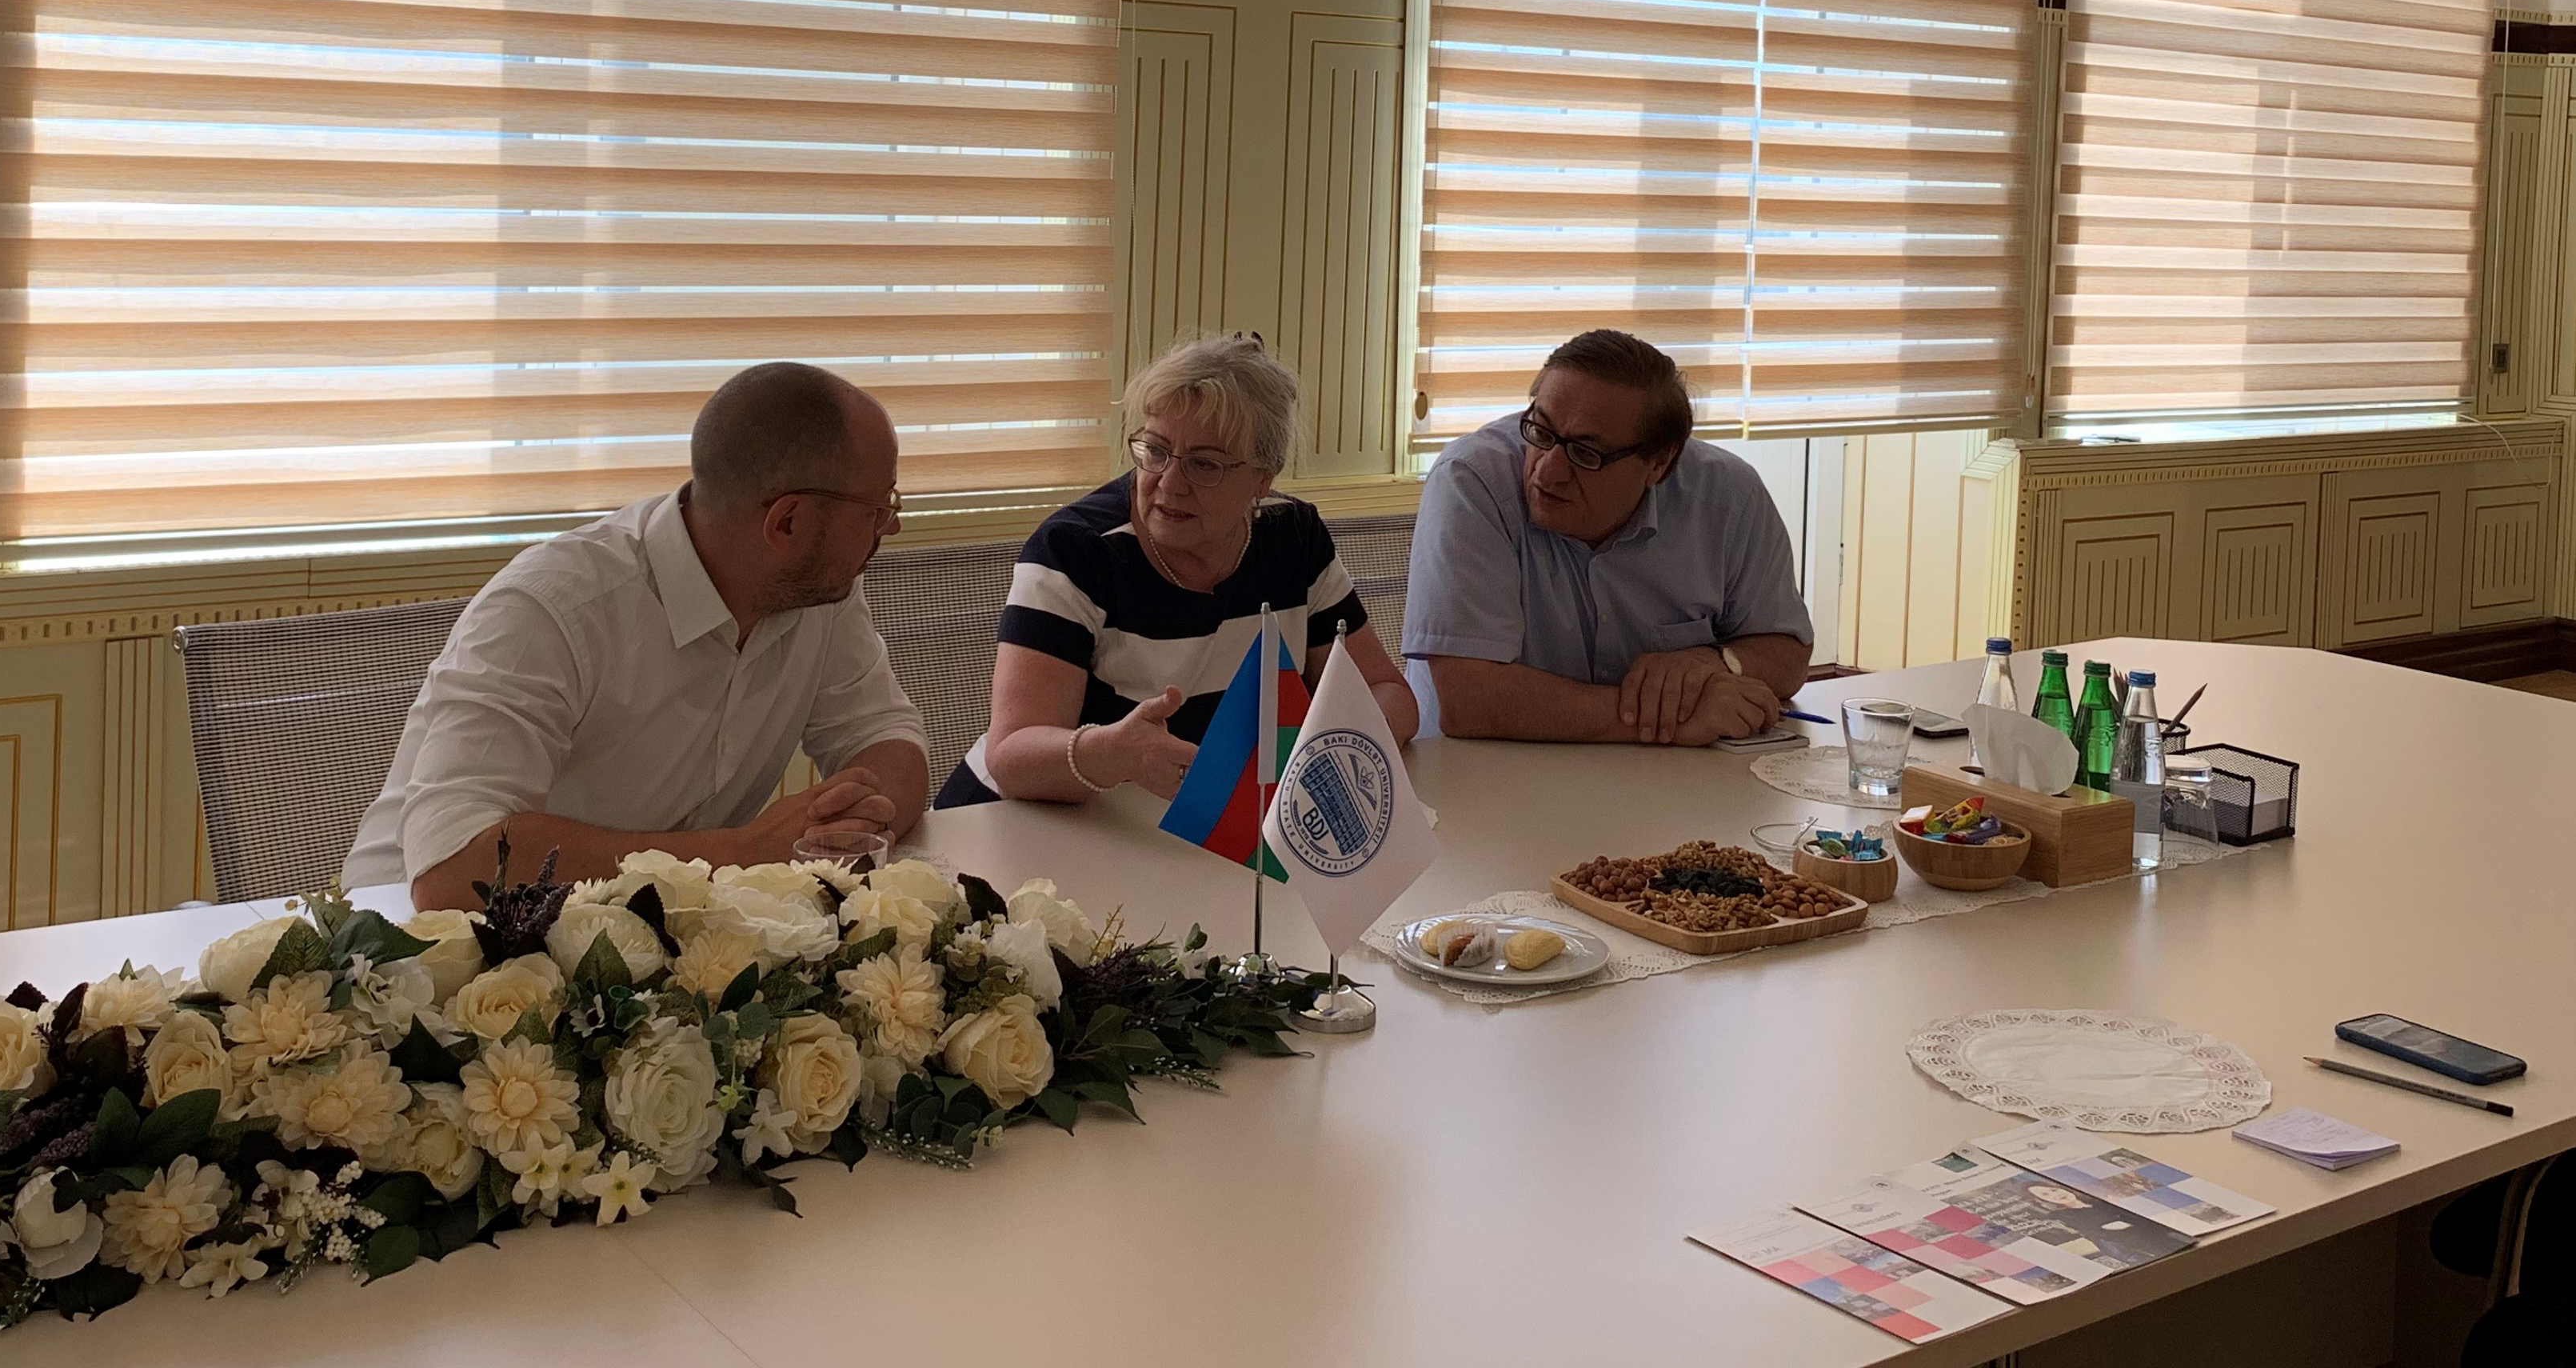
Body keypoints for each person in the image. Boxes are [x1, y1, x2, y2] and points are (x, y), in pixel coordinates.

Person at [341, 362, 929, 910]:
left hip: (653, 929)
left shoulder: (814, 589)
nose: (893, 525)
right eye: (877, 508)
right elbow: (454, 868)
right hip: (414, 940)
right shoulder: (551, 608)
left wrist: (848, 820)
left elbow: (886, 736)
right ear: (789, 522)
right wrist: (743, 852)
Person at [938, 334, 1417, 807]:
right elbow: (1011, 757)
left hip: (1193, 822)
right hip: (1017, 822)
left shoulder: (1293, 537)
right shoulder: (1075, 550)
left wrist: (1323, 753)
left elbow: (1389, 693)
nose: (1169, 482)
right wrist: (1117, 755)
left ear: (1263, 478)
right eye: (1156, 451)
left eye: (1204, 464)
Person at [1403, 329, 1813, 744]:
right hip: (1478, 770)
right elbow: (1470, 701)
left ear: (1658, 464)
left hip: (1666, 774)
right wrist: (1669, 719)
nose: (1547, 471)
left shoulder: (1729, 497)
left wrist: (1715, 663)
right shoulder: (1472, 481)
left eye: (1586, 453)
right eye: (1541, 432)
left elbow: (1789, 652)